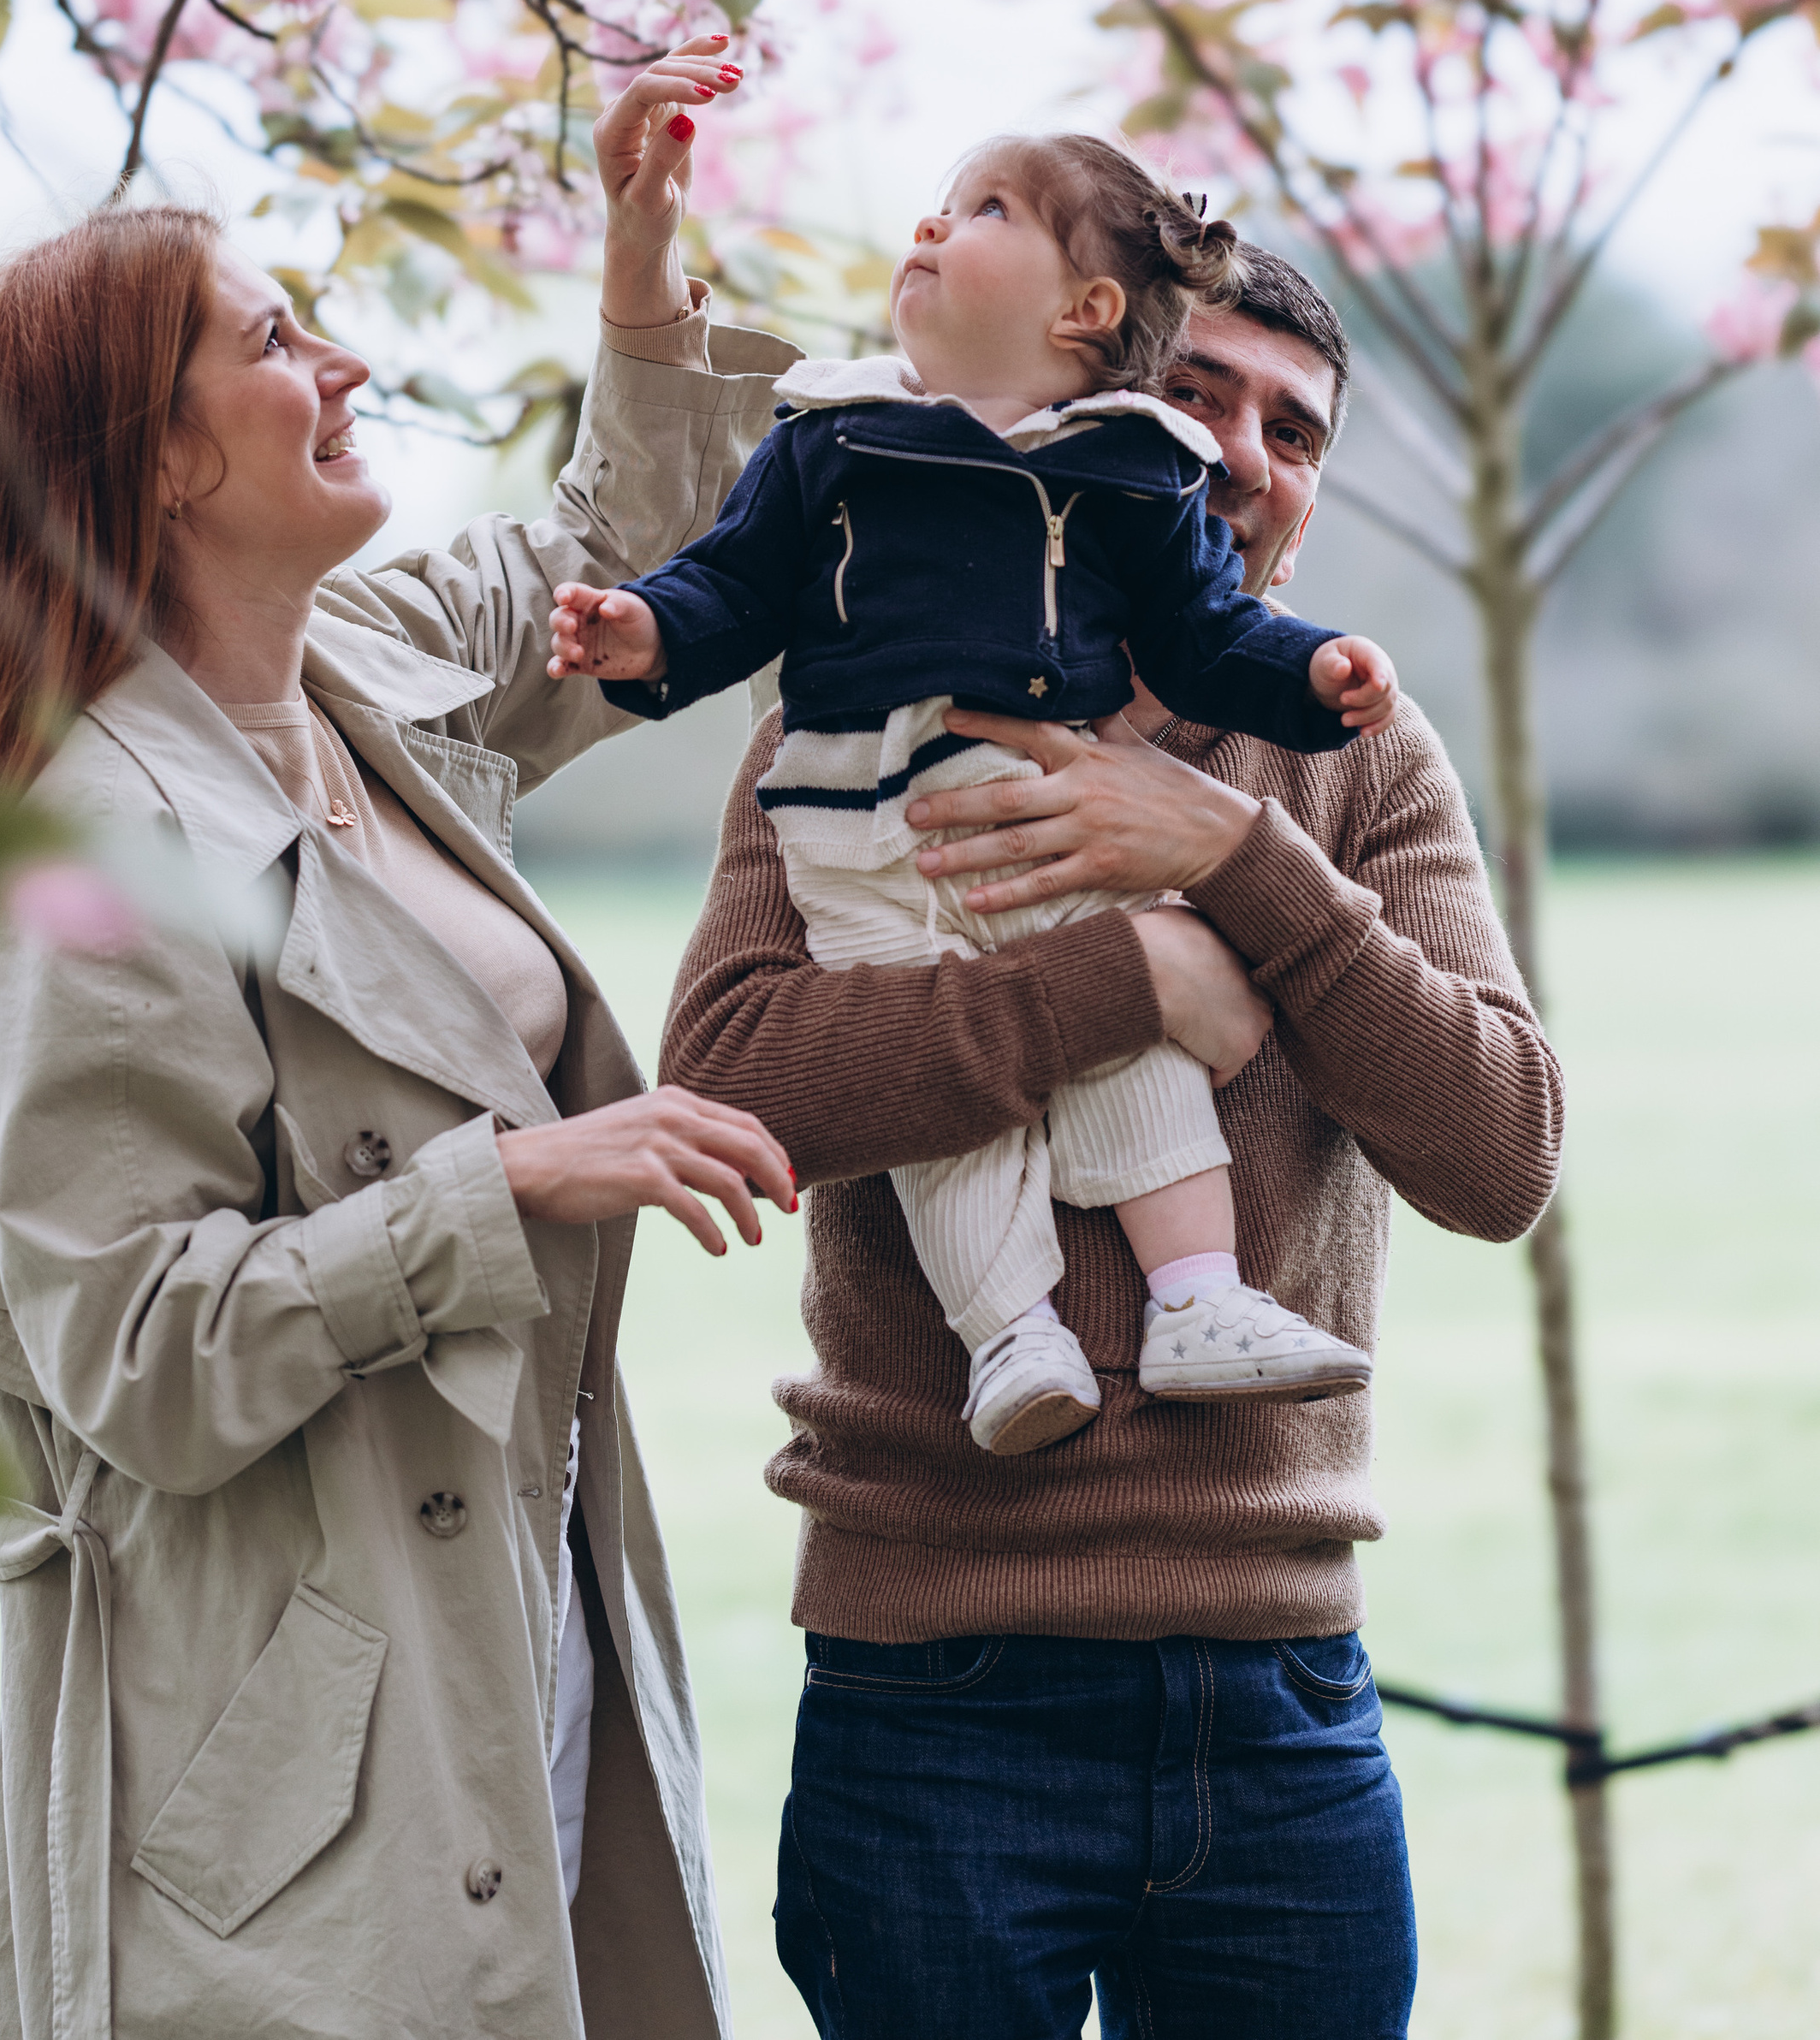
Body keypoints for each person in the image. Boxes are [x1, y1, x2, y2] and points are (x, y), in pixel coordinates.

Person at [0, 34, 800, 2040]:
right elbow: (141, 1348)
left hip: (506, 1615)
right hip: (297, 1747)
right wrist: (514, 1177)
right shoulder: (99, 843)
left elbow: (610, 570)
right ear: (153, 461)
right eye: (275, 338)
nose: (345, 363)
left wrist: (637, 263)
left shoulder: (353, 674)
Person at [658, 238, 1563, 2040]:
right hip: (934, 1680)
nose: (1241, 454)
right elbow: (734, 1078)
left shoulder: (1360, 758)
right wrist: (1118, 973)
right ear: (1075, 415)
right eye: (1198, 394)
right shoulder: (845, 714)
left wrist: (1232, 856)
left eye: (1293, 431)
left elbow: (1498, 1151)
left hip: (1279, 1688)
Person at [549, 136, 1396, 1455]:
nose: (933, 229)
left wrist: (1298, 713)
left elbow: (1206, 633)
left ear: (1085, 315)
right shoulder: (831, 440)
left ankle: (1198, 1294)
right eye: (1201, 396)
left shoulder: (1138, 475)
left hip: (1265, 1593)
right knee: (967, 1080)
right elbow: (734, 580)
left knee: (1140, 1057)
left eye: (1290, 432)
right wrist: (648, 632)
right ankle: (1007, 1331)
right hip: (851, 814)